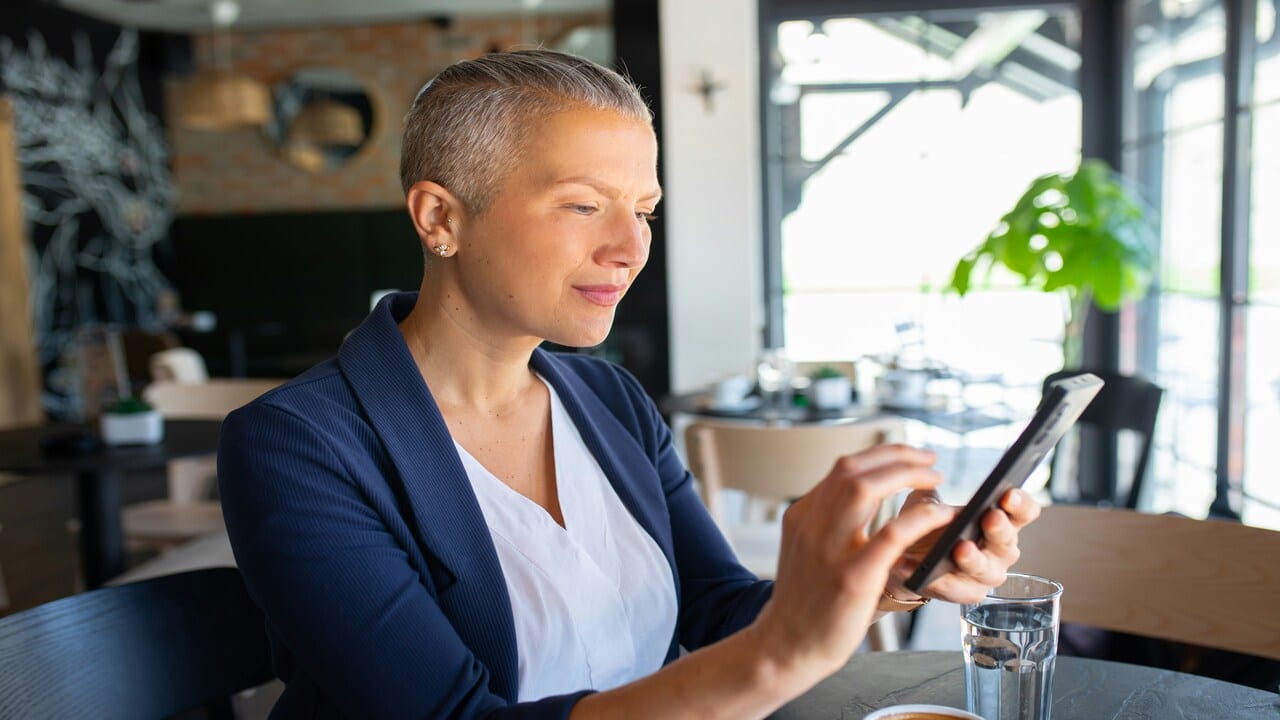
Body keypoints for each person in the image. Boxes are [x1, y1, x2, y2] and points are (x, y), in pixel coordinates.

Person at [217, 49, 1039, 719]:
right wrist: (785, 650)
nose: (631, 246)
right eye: (584, 205)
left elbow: (717, 608)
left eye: (642, 209)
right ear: (441, 218)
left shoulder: (609, 401)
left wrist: (879, 585)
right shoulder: (297, 446)